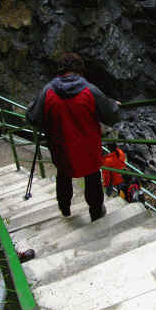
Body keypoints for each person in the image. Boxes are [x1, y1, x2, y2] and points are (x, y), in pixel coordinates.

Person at [26, 52, 120, 222]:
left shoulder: (48, 91)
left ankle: (65, 209)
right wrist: (112, 104)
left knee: (63, 175)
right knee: (92, 178)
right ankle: (96, 211)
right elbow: (111, 115)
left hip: (61, 148)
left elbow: (32, 118)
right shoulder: (90, 90)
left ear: (60, 71)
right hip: (88, 148)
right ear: (80, 71)